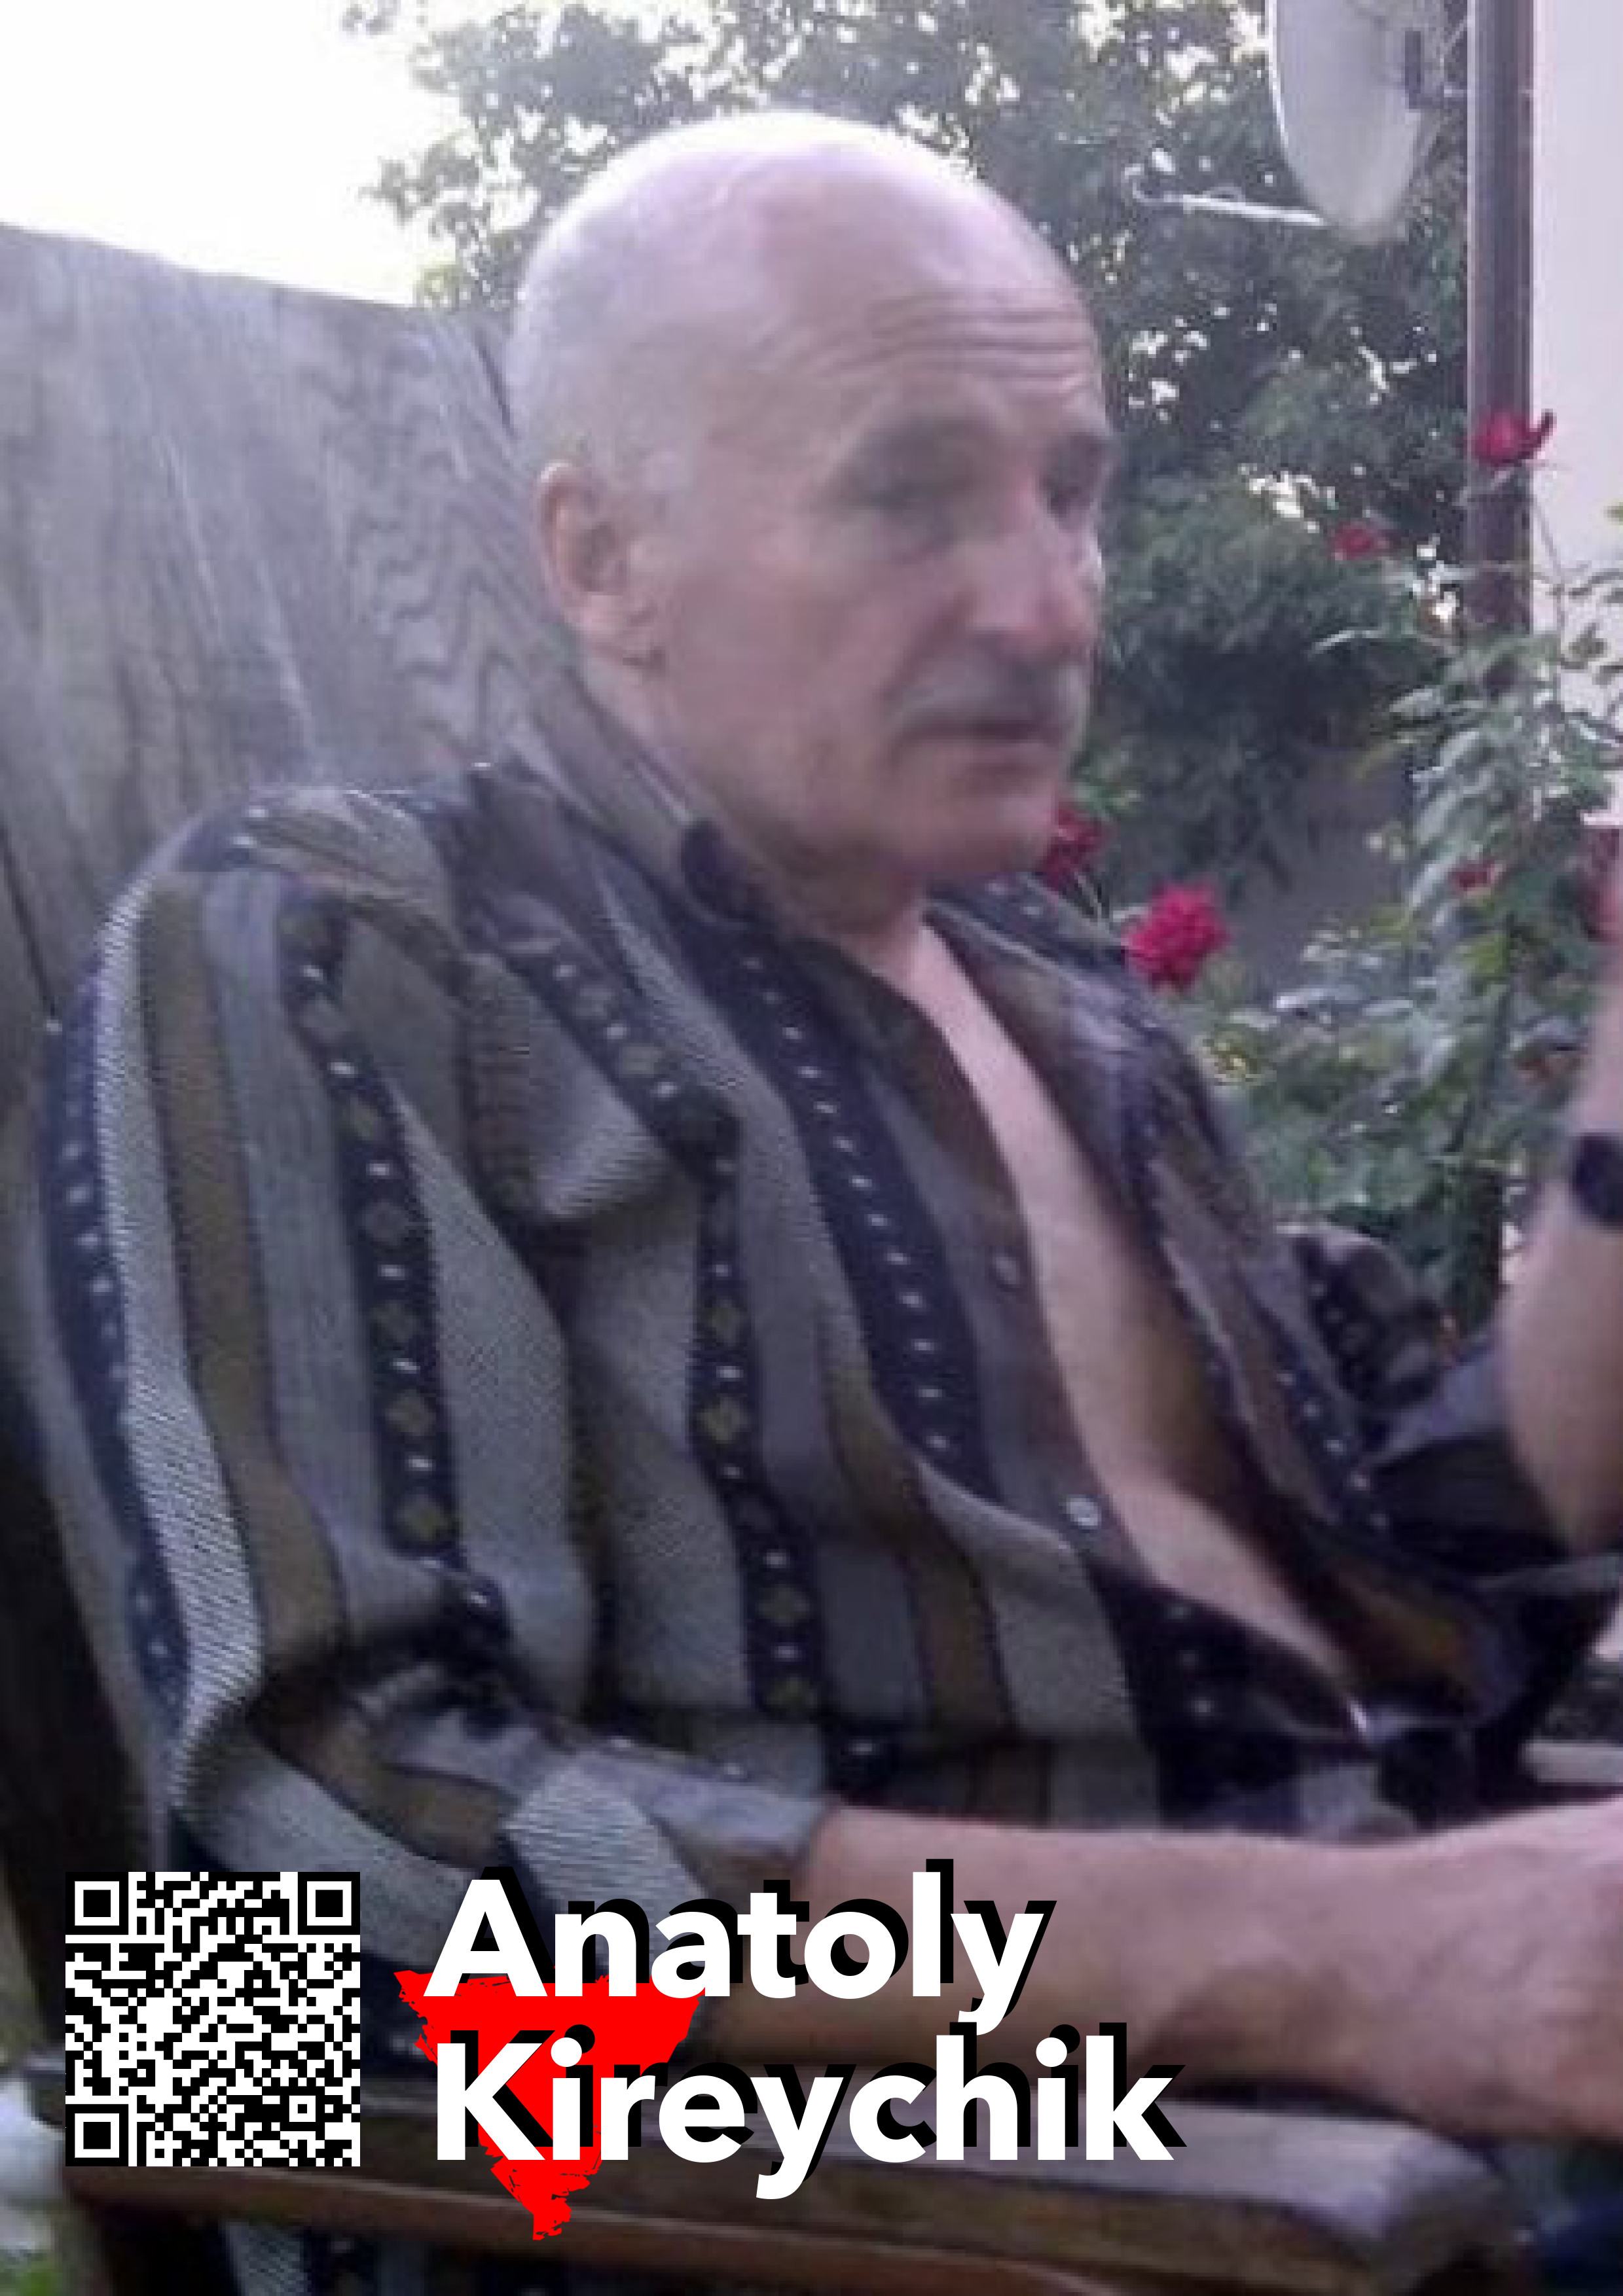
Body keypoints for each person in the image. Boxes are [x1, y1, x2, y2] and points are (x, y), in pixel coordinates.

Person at [7, 108, 1623, 2293]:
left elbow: (1456, 1542)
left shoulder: (1074, 1015)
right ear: (600, 556)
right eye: (909, 492)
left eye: (1071, 492)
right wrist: (1346, 1959)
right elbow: (300, 1866)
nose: (1048, 604)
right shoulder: (346, 951)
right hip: (1004, 2214)